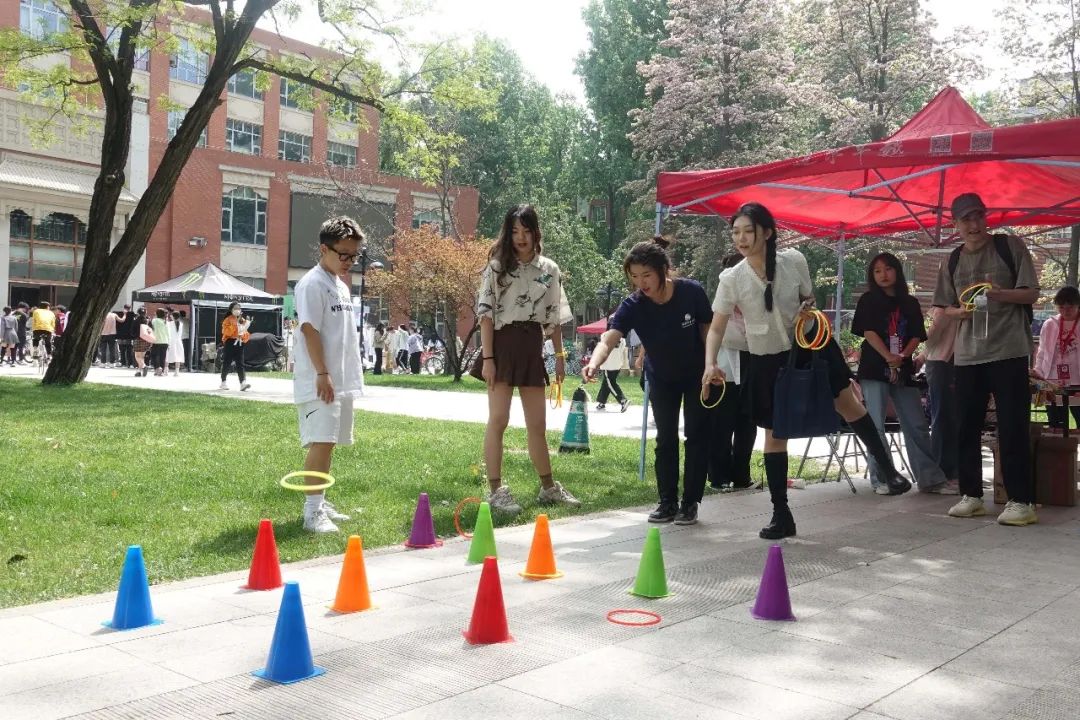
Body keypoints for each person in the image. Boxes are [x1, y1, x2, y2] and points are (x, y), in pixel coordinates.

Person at [704, 202, 912, 540]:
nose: (740, 239)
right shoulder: (732, 278)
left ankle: (889, 472)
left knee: (849, 404)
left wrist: (807, 308)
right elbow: (716, 328)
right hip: (767, 360)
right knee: (775, 434)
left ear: (767, 233)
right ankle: (781, 514)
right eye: (736, 232)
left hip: (809, 346)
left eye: (747, 231)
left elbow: (808, 297)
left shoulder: (794, 261)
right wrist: (710, 362)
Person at [584, 236, 714, 525]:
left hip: (696, 375)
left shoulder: (691, 292)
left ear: (662, 270)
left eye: (646, 275)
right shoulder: (633, 305)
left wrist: (711, 365)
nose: (640, 283)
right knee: (665, 438)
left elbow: (708, 330)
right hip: (662, 378)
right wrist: (594, 362)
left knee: (696, 436)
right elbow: (609, 338)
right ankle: (667, 501)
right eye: (634, 276)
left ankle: (690, 502)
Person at [932, 193, 1040, 526]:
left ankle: (1021, 501)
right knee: (966, 426)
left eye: (978, 216)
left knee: (1012, 426)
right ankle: (972, 495)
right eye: (966, 219)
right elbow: (944, 307)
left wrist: (996, 293)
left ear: (986, 218)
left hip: (1009, 350)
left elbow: (1032, 292)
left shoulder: (1009, 246)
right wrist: (959, 312)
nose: (974, 224)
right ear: (955, 225)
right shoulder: (952, 260)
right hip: (967, 355)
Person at [473, 204, 580, 515]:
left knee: (537, 424)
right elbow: (485, 316)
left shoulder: (550, 270)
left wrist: (559, 356)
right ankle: (496, 491)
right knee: (498, 420)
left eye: (526, 230)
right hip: (502, 346)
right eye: (515, 231)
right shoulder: (497, 268)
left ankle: (548, 487)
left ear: (536, 233)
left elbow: (554, 317)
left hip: (532, 345)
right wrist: (488, 358)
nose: (520, 237)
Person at [852, 253, 955, 495]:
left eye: (888, 269)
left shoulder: (909, 302)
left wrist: (903, 356)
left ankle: (930, 479)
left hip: (904, 368)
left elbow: (917, 335)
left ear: (897, 271)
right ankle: (884, 478)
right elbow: (868, 332)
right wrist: (888, 356)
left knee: (916, 423)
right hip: (874, 367)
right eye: (877, 271)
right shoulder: (868, 300)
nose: (883, 275)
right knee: (876, 424)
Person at [293, 216, 366, 533]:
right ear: (324, 249)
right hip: (320, 379)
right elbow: (309, 330)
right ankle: (312, 512)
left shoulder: (340, 285)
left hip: (340, 380)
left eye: (354, 256)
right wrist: (322, 372)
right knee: (320, 442)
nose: (349, 261)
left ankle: (320, 500)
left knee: (330, 442)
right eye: (344, 254)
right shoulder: (312, 284)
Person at [708, 253, 757, 490]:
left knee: (747, 425)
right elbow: (712, 335)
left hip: (752, 368)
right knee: (720, 426)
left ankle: (741, 476)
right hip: (723, 371)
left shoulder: (758, 305)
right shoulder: (720, 308)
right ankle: (718, 477)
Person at [1033, 286, 1080, 429]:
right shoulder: (1049, 324)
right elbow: (1041, 352)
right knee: (1056, 424)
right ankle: (1058, 443)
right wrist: (1038, 373)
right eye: (1061, 307)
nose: (1065, 311)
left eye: (1070, 307)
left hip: (1077, 381)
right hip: (1052, 381)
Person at [924, 299, 960, 483]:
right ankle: (943, 468)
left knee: (946, 417)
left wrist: (922, 354)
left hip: (944, 362)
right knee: (944, 417)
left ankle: (949, 468)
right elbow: (932, 336)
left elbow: (931, 336)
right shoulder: (945, 308)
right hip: (944, 362)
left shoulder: (947, 307)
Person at [594, 331, 630, 413]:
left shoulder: (604, 335)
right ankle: (601, 402)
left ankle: (623, 400)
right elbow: (622, 349)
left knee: (610, 384)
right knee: (606, 383)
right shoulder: (622, 338)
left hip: (608, 365)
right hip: (617, 364)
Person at [220, 301, 252, 391]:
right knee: (227, 362)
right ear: (231, 310)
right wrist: (235, 325)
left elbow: (245, 332)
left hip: (240, 342)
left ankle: (243, 383)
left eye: (239, 308)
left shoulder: (242, 320)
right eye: (235, 308)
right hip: (230, 342)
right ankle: (223, 382)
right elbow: (226, 332)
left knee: (240, 363)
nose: (237, 310)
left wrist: (244, 334)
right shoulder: (227, 320)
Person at [133, 313, 152, 377]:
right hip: (147, 340)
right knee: (141, 357)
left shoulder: (136, 321)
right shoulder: (148, 321)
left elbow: (132, 332)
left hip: (138, 340)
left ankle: (144, 366)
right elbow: (151, 330)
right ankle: (139, 371)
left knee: (137, 356)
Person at [166, 311, 185, 377]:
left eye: (171, 315)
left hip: (171, 341)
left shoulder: (169, 323)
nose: (170, 316)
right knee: (178, 357)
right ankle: (176, 372)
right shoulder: (181, 324)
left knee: (167, 356)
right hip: (179, 342)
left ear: (173, 316)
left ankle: (166, 370)